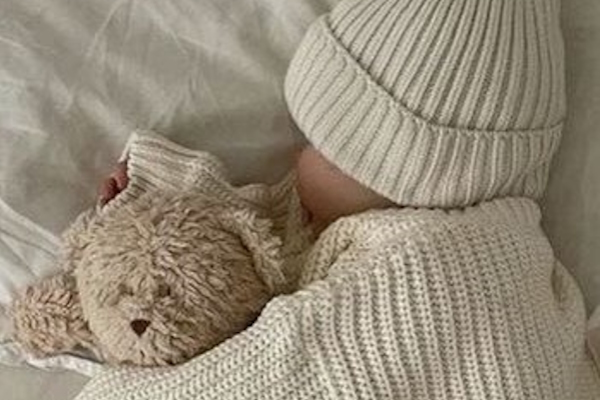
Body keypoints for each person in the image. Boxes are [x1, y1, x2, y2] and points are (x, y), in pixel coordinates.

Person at [86, 0, 600, 399]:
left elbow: (299, 359)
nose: (295, 161)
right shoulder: (406, 231)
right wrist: (158, 209)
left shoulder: (437, 266)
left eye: (321, 150)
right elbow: (263, 257)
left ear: (407, 180)